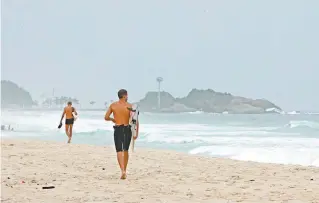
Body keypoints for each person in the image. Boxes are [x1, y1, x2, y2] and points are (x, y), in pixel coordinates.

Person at [104, 89, 139, 179]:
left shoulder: (113, 105)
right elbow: (135, 120)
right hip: (127, 129)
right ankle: (125, 171)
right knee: (125, 150)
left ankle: (122, 170)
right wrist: (136, 133)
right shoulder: (130, 106)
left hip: (118, 129)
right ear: (124, 96)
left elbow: (106, 117)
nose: (127, 97)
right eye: (127, 95)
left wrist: (112, 119)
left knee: (119, 150)